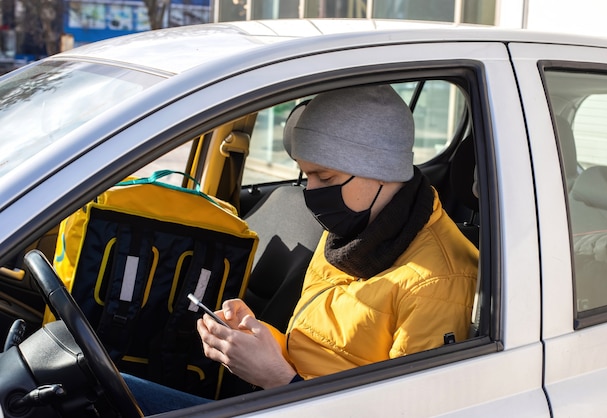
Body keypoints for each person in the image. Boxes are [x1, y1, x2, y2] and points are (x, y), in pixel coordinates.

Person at [124, 84, 479, 414]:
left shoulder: (438, 281)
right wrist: (257, 342)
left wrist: (279, 379)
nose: (310, 192)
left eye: (324, 178)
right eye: (305, 174)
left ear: (381, 168)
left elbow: (405, 411)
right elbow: (321, 353)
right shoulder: (355, 229)